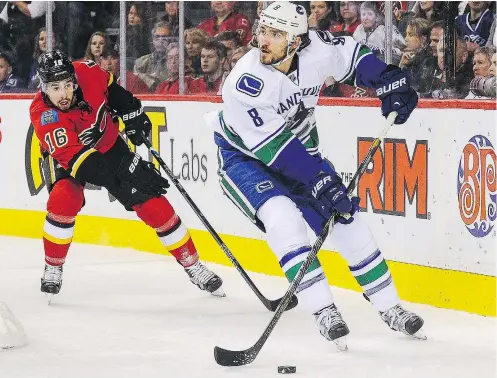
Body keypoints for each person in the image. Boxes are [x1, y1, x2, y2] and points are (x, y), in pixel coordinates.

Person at [203, 2, 424, 351]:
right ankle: (323, 309)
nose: (264, 40)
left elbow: (352, 57)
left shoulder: (317, 47)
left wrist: (386, 79)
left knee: (345, 216)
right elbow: (276, 150)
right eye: (263, 30)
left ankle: (389, 305)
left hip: (300, 154)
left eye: (275, 34)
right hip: (246, 160)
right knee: (283, 218)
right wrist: (318, 179)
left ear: (296, 40)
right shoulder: (245, 83)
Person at [29, 51, 224, 302]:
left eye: (67, 85)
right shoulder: (44, 114)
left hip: (109, 145)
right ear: (44, 88)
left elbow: (114, 93)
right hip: (70, 158)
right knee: (64, 198)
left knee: (153, 204)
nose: (63, 94)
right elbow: (87, 168)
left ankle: (193, 265)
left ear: (75, 80)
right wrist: (129, 168)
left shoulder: (88, 72)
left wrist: (133, 114)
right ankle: (53, 265)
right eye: (55, 88)